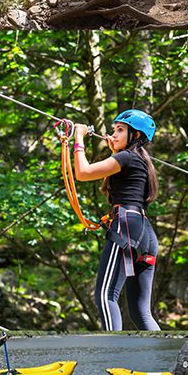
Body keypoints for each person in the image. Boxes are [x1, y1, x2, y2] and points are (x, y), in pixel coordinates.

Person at [68, 111, 161, 333]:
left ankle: (114, 354)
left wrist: (78, 138)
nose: (113, 134)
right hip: (144, 233)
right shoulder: (139, 160)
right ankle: (161, 357)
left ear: (135, 134)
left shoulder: (127, 158)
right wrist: (115, 151)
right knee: (141, 312)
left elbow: (83, 173)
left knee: (105, 295)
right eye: (114, 129)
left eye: (120, 130)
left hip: (126, 226)